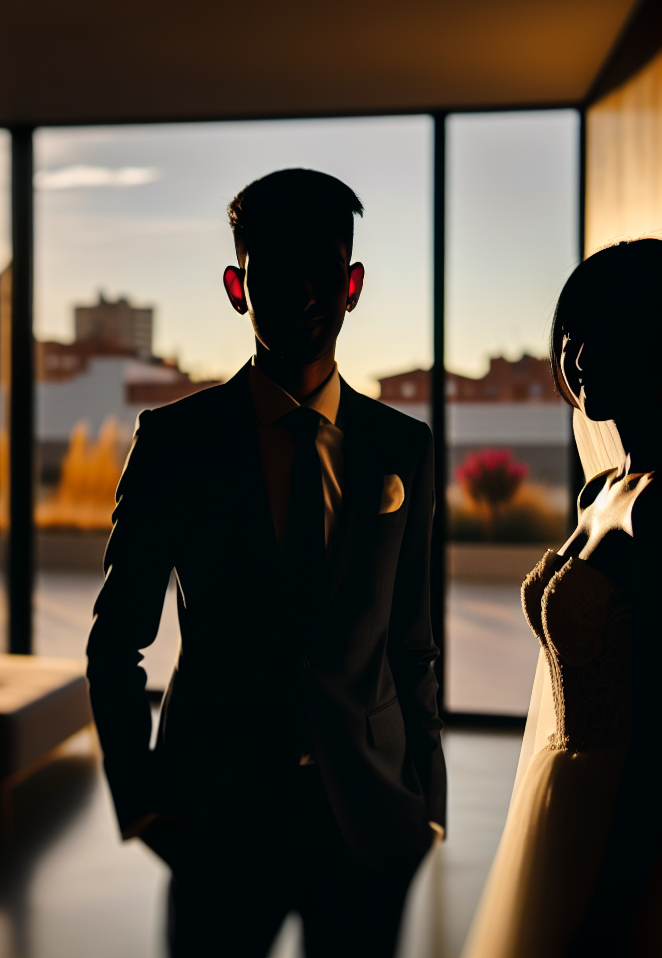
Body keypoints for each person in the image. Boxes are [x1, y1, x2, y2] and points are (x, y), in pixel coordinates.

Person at [86, 168, 446, 958]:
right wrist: (140, 798)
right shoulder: (174, 444)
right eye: (274, 269)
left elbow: (412, 642)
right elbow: (116, 641)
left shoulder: (404, 449)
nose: (303, 290)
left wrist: (430, 803)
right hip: (215, 816)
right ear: (236, 286)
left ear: (352, 285)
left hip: (368, 820)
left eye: (323, 268)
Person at [461, 238, 661, 958]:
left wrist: (615, 897)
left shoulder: (657, 510)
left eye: (604, 334)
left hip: (627, 809)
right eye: (569, 336)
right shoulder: (601, 491)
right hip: (563, 784)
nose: (577, 356)